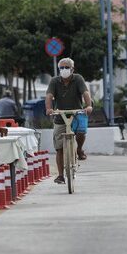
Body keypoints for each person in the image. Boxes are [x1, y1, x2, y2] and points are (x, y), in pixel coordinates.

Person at [45, 57, 93, 185]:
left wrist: (88, 106)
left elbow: (85, 93)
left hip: (77, 114)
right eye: (61, 67)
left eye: (67, 67)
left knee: (81, 132)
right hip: (60, 116)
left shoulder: (78, 79)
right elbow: (49, 96)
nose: (64, 70)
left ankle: (79, 150)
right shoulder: (54, 81)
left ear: (72, 69)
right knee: (59, 148)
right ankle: (60, 175)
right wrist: (49, 108)